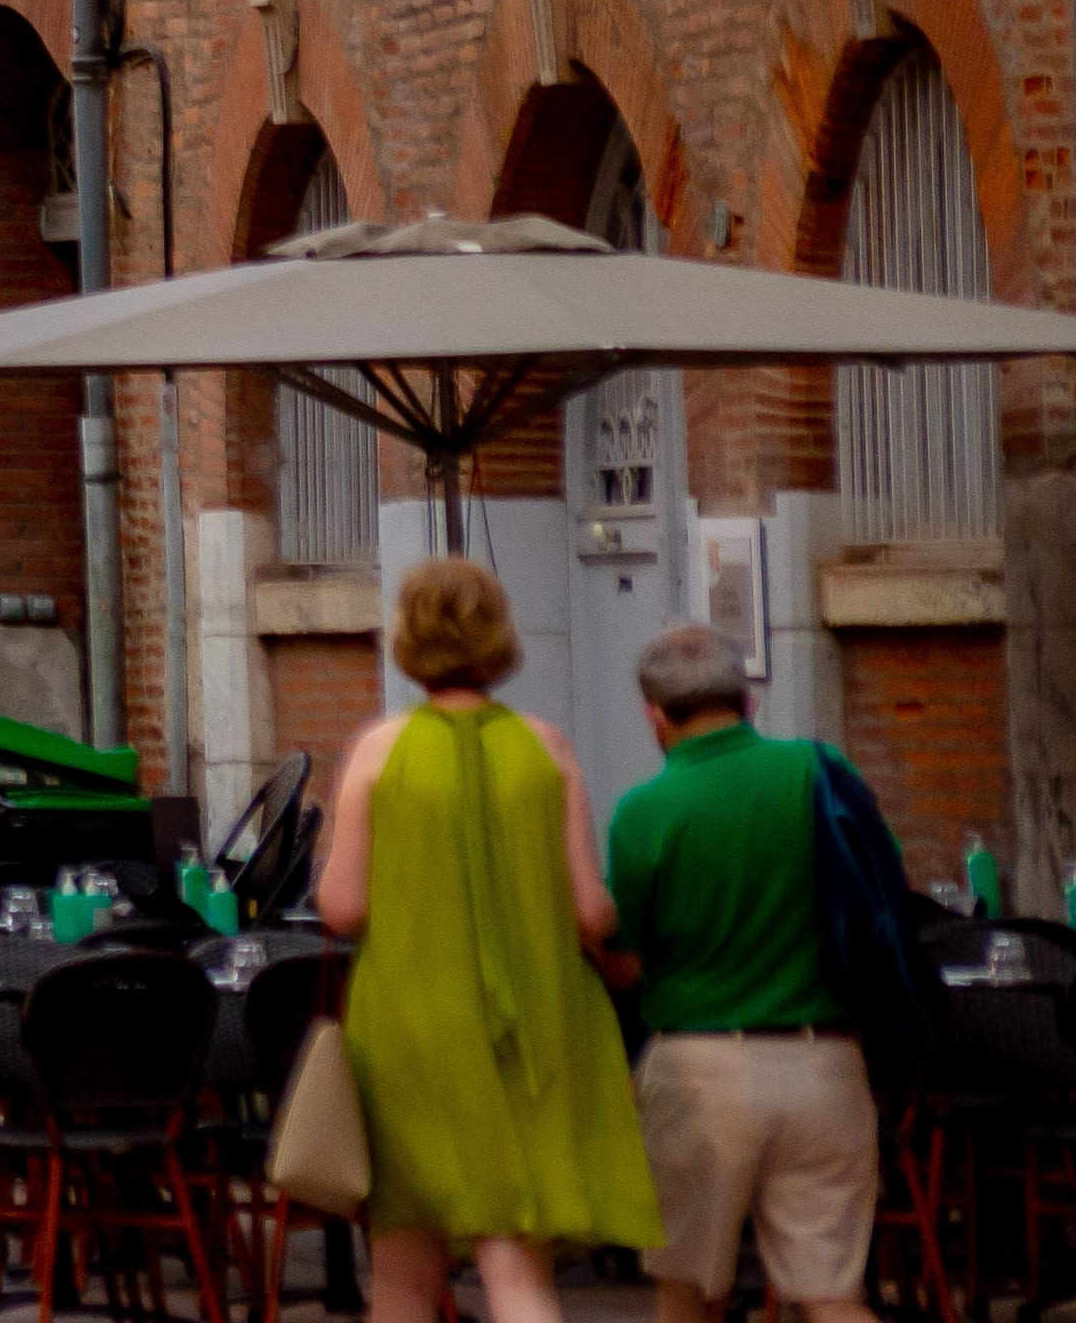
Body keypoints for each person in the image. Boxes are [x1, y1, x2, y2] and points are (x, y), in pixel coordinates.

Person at [318, 554, 658, 1323]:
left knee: (402, 1273)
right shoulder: (546, 748)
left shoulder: (378, 750)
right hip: (532, 1024)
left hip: (408, 1027)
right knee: (514, 1263)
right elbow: (591, 912)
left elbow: (340, 907)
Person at [603, 618, 882, 1323]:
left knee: (688, 1293)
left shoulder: (645, 811)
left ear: (654, 717)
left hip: (699, 1072)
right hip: (826, 1067)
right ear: (749, 701)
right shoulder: (822, 775)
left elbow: (629, 962)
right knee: (831, 1295)